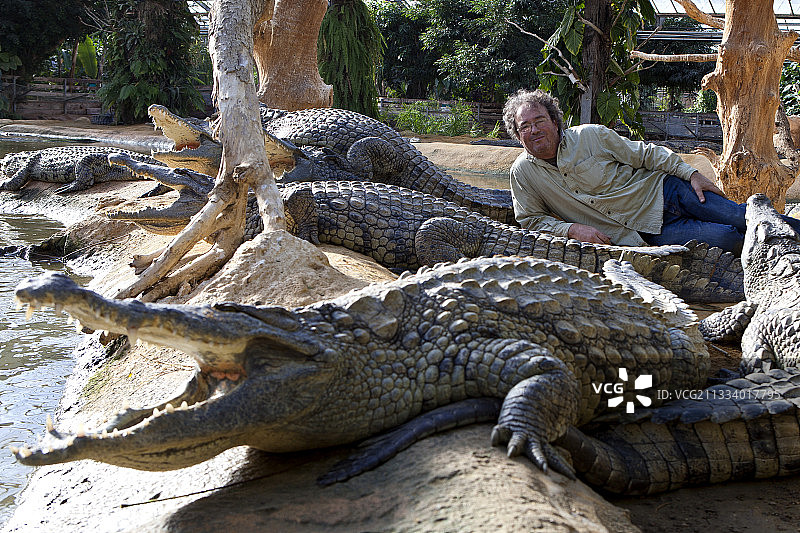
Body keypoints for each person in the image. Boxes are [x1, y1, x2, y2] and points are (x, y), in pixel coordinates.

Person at [502, 88, 800, 254]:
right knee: (729, 238)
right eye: (525, 126)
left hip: (666, 191)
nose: (534, 130)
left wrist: (690, 173)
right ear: (518, 135)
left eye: (539, 120)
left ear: (554, 122)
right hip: (642, 233)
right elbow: (530, 219)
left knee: (741, 216)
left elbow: (644, 154)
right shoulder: (523, 174)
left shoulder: (590, 136)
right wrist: (571, 229)